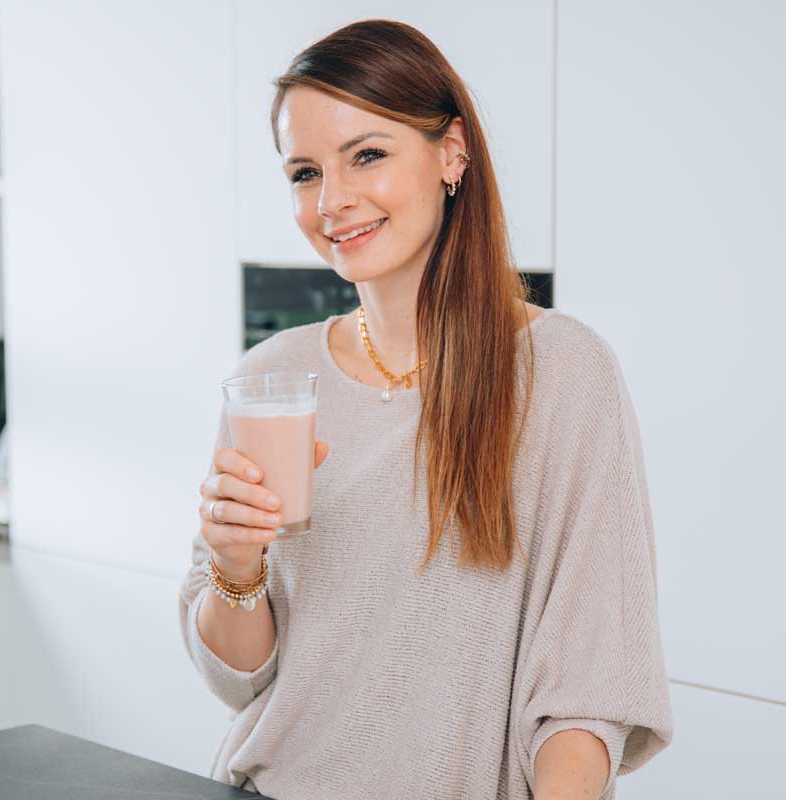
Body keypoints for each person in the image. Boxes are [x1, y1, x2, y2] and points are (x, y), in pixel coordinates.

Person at [177, 19, 672, 800]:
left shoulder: (562, 373)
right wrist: (235, 567)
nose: (331, 200)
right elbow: (242, 680)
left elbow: (588, 696)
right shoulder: (275, 377)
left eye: (367, 154)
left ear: (452, 154)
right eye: (304, 172)